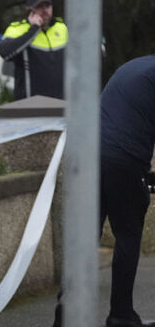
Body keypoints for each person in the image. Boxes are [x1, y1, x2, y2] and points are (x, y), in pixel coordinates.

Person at [98, 55, 155, 327]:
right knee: (128, 234)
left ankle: (66, 313)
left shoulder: (135, 66)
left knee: (85, 237)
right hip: (123, 156)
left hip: (88, 151)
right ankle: (120, 315)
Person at [0, 0, 68, 100]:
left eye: (47, 6)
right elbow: (5, 52)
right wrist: (34, 29)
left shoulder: (62, 28)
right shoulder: (16, 29)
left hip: (62, 104)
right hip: (31, 106)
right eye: (39, 7)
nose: (45, 10)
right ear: (29, 10)